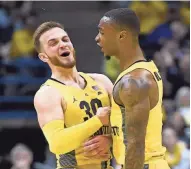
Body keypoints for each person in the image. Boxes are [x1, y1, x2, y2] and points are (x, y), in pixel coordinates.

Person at [33, 21, 125, 169]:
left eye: (65, 39)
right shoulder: (48, 93)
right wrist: (97, 121)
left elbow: (129, 123)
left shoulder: (101, 81)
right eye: (53, 43)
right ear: (44, 57)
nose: (62, 44)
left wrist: (111, 140)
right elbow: (57, 143)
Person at [95, 8, 170, 169]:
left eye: (102, 33)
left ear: (121, 36)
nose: (97, 39)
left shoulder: (133, 81)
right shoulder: (141, 71)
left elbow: (136, 145)